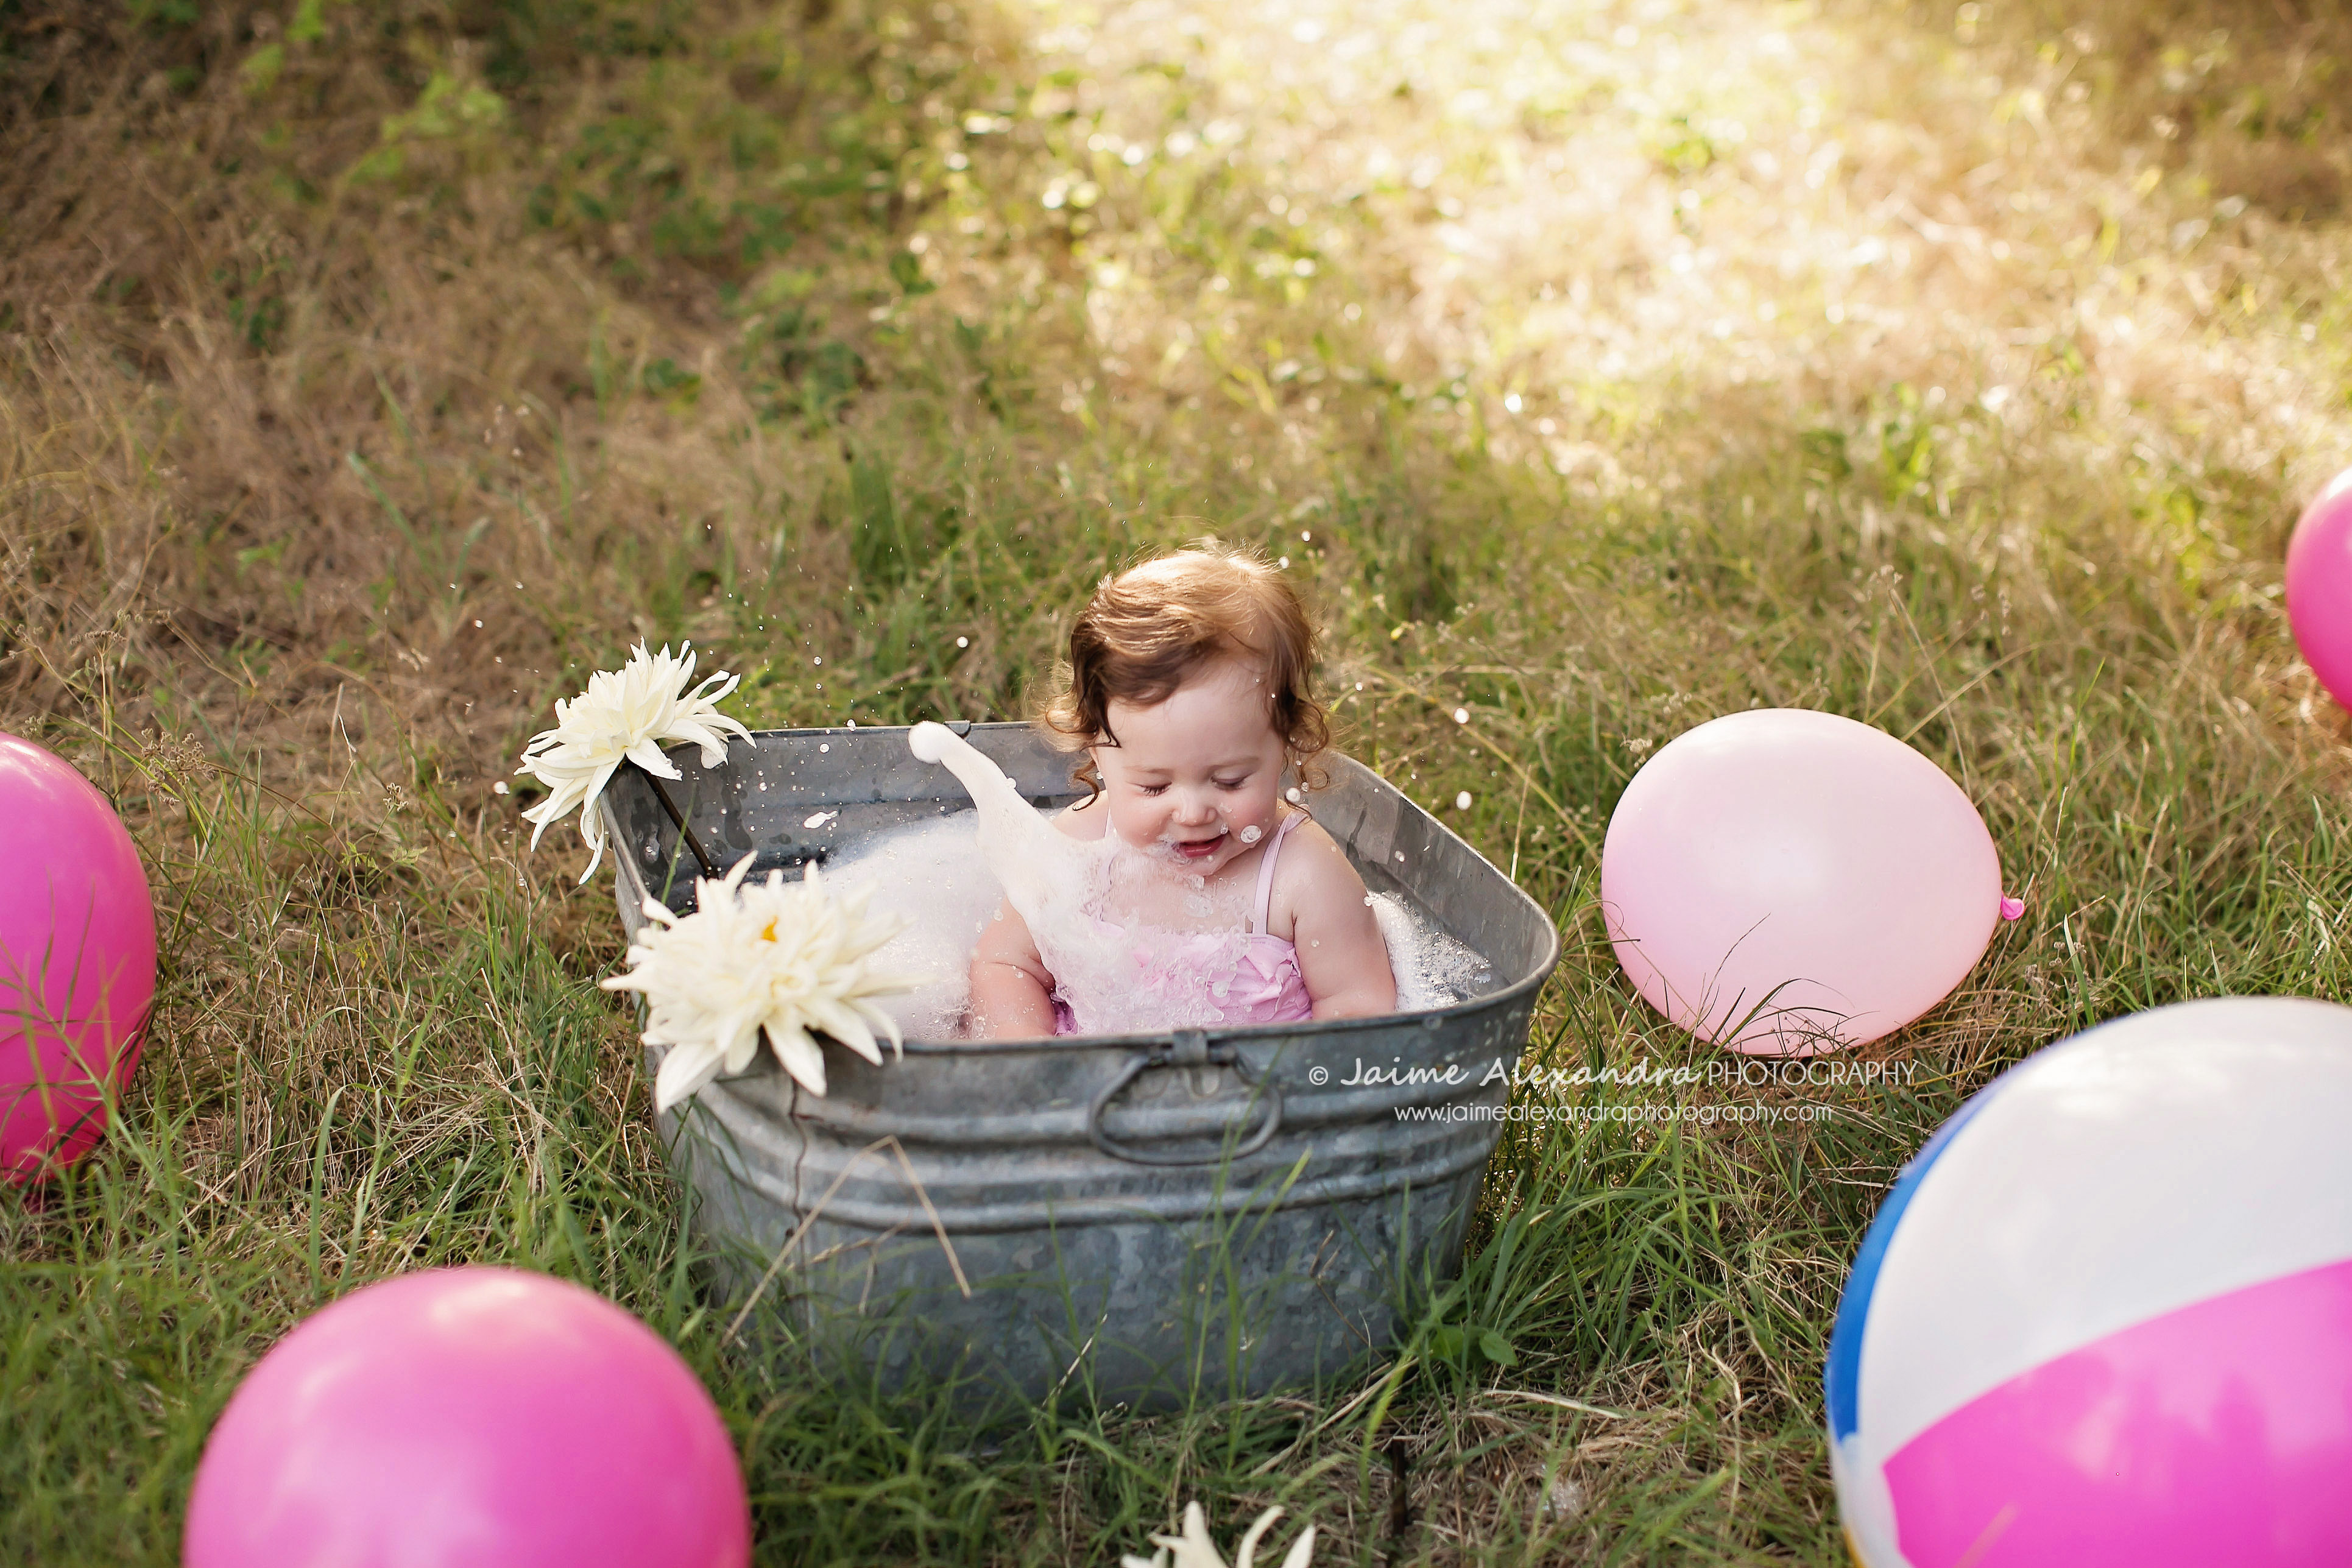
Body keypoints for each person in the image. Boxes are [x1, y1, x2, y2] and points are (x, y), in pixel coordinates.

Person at [969, 545, 1397, 1037]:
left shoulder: (1304, 874)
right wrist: (1031, 1056)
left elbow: (1358, 1008)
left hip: (1259, 1105)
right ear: (1095, 751)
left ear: (1286, 741)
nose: (1193, 813)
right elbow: (1005, 965)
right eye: (1154, 786)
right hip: (1087, 1097)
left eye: (1230, 780)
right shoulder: (1077, 849)